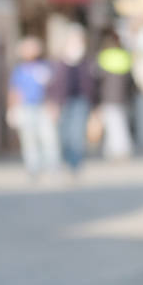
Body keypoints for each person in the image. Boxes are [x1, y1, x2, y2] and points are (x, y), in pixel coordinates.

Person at [7, 37, 59, 179]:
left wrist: (54, 105)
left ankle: (51, 167)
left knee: (48, 137)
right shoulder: (20, 70)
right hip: (26, 107)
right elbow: (14, 90)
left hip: (43, 106)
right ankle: (33, 168)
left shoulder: (45, 67)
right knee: (29, 139)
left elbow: (53, 88)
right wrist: (12, 109)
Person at [51, 27, 95, 175]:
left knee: (77, 134)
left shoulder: (86, 62)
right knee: (64, 136)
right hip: (63, 102)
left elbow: (92, 84)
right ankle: (67, 160)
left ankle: (75, 165)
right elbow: (53, 85)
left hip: (80, 102)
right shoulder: (59, 63)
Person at [94, 29, 138, 160]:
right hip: (122, 97)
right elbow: (130, 79)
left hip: (108, 97)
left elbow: (98, 80)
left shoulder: (103, 57)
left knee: (113, 125)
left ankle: (116, 150)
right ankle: (117, 149)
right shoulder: (125, 56)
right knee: (119, 123)